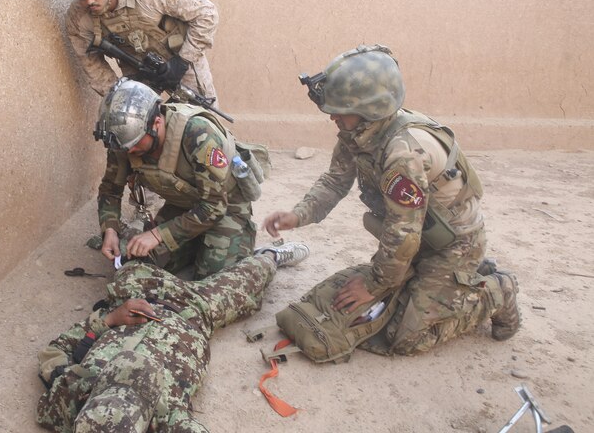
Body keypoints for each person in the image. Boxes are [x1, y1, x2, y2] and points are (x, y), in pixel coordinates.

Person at [262, 44, 520, 356]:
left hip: (452, 244)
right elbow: (334, 181)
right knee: (376, 304)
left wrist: (373, 283)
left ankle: (495, 291)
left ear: (370, 108)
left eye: (340, 110)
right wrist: (298, 215)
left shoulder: (403, 153)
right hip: (418, 237)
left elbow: (403, 233)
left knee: (405, 338)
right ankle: (457, 282)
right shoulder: (359, 133)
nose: (332, 117)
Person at [35, 241, 310, 433]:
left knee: (137, 246)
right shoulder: (167, 418)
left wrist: (110, 318)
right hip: (197, 310)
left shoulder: (69, 392)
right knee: (250, 277)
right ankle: (272, 254)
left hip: (140, 287)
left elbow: (55, 351)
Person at [93, 78, 262, 280]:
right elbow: (110, 189)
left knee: (213, 281)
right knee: (137, 265)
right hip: (184, 206)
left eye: (135, 144)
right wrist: (109, 229)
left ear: (156, 123)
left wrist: (157, 235)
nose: (130, 152)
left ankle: (269, 256)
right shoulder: (125, 140)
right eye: (125, 147)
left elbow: (214, 207)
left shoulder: (197, 134)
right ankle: (195, 243)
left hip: (225, 206)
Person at [60, 0, 219, 102]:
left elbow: (207, 14)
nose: (89, 1)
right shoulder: (78, 19)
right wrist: (119, 97)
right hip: (138, 72)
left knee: (200, 121)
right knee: (129, 122)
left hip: (182, 62)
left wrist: (182, 61)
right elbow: (92, 65)